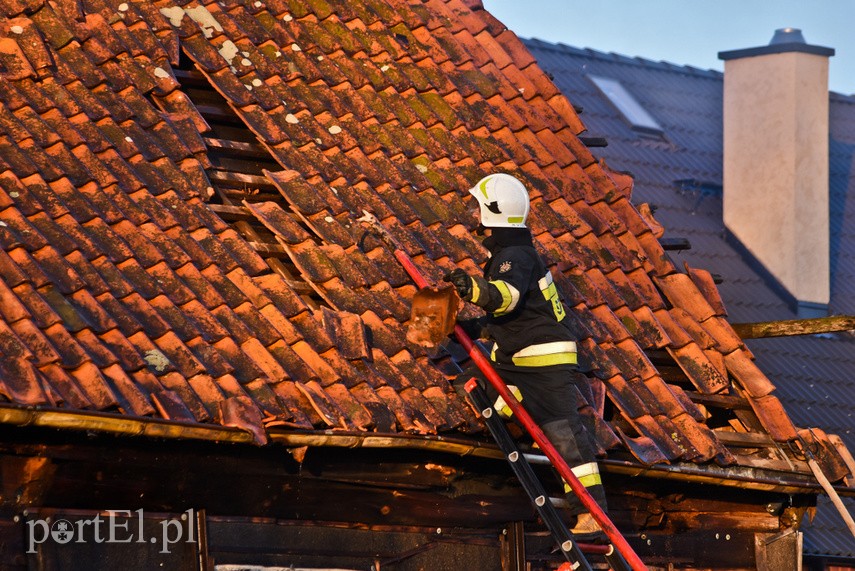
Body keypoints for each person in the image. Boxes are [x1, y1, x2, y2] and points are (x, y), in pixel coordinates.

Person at [444, 173, 608, 540]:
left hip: (543, 362)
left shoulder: (515, 256)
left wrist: (472, 289)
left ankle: (592, 514)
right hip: (518, 359)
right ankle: (519, 407)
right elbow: (515, 318)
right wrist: (470, 329)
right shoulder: (511, 253)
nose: (474, 214)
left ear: (494, 211)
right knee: (471, 388)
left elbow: (507, 298)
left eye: (479, 207)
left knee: (564, 435)